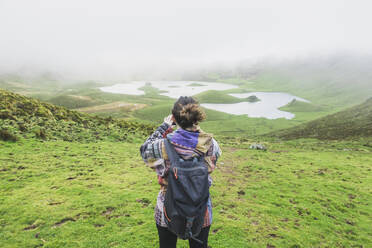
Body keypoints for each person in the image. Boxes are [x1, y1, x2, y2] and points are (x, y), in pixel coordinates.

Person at [140, 96, 221, 248]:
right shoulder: (211, 144)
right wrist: (195, 128)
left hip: (167, 207)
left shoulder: (162, 146)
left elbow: (145, 150)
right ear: (196, 117)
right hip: (201, 208)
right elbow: (214, 160)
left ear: (174, 118)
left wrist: (165, 126)